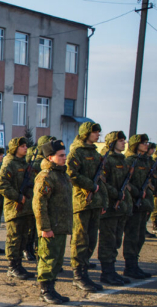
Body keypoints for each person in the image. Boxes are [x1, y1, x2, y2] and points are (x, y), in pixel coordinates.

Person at [66, 122, 107, 292]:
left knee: (91, 239)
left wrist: (103, 201)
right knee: (80, 239)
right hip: (82, 202)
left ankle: (84, 271)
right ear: (86, 133)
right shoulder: (76, 152)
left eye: (98, 132)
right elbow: (70, 173)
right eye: (95, 132)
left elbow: (101, 179)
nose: (98, 134)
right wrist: (90, 185)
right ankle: (78, 275)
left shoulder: (95, 153)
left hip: (95, 202)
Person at [32, 139, 72, 304]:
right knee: (47, 258)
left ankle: (52, 288)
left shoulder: (62, 175)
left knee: (57, 260)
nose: (64, 158)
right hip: (51, 226)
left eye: (64, 155)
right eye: (61, 155)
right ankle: (45, 290)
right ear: (50, 157)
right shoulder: (46, 176)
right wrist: (45, 227)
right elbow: (39, 204)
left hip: (60, 226)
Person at [0, 137, 35, 279]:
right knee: (14, 239)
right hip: (15, 208)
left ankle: (19, 265)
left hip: (26, 208)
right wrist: (17, 197)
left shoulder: (25, 163)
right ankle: (12, 267)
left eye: (25, 146)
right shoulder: (9, 163)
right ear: (15, 148)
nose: (25, 148)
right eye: (22, 146)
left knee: (23, 238)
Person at [97, 131, 132, 286]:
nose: (124, 143)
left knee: (116, 240)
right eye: (120, 140)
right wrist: (115, 194)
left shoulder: (123, 160)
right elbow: (103, 181)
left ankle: (111, 270)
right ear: (112, 143)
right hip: (110, 206)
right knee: (108, 241)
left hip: (120, 207)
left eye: (124, 140)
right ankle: (106, 272)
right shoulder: (107, 160)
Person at [122, 134, 154, 279]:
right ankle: (129, 266)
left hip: (143, 204)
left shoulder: (146, 161)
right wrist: (136, 192)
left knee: (140, 236)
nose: (146, 145)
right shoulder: (129, 161)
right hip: (133, 203)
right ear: (136, 145)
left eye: (147, 142)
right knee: (132, 236)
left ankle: (134, 264)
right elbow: (126, 183)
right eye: (143, 143)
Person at [24, 135, 54, 261]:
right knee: (32, 228)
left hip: (38, 197)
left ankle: (31, 250)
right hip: (33, 197)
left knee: (35, 228)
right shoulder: (37, 162)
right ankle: (28, 249)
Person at [144, 142, 157, 238]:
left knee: (149, 209)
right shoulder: (144, 160)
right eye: (151, 149)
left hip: (151, 189)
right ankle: (143, 229)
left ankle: (143, 228)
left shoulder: (151, 161)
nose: (153, 151)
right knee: (145, 210)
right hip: (145, 188)